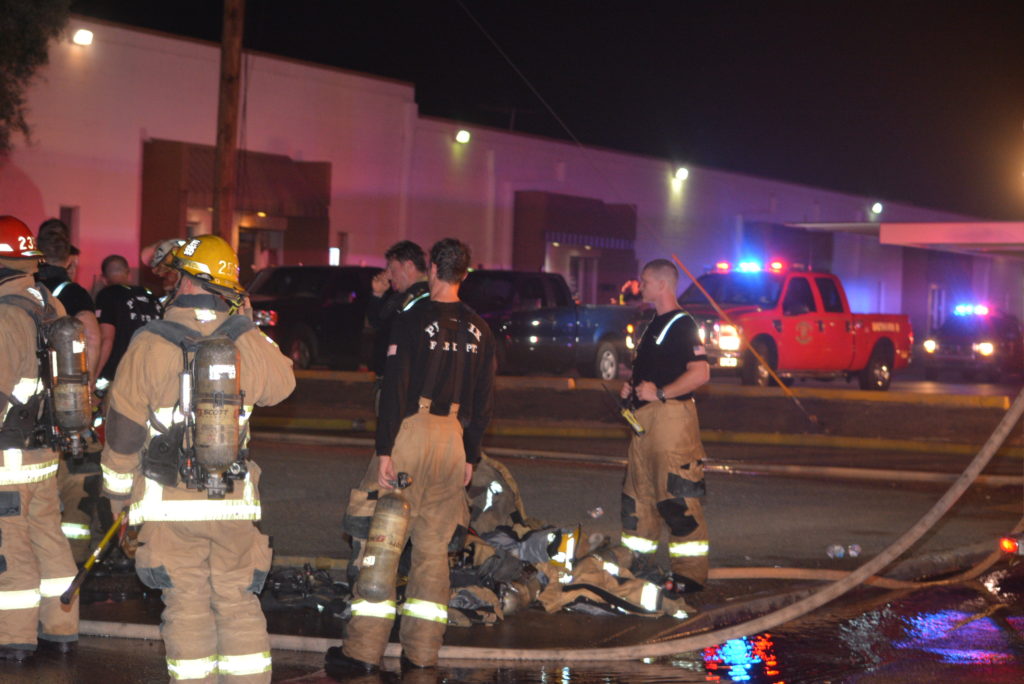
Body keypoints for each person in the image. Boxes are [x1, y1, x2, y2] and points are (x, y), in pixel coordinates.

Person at [100, 234, 295, 682]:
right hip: (232, 503)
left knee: (186, 603)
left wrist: (116, 497)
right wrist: (247, 324)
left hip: (170, 505)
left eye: (175, 275)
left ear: (187, 281)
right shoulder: (244, 339)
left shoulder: (149, 343)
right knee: (237, 599)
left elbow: (124, 434)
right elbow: (283, 385)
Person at [326, 238, 495, 675]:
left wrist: (385, 449)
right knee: (434, 552)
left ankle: (363, 652)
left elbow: (396, 388)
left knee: (381, 541)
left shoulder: (413, 318)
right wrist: (470, 455)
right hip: (453, 441)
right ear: (464, 275)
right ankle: (422, 654)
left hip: (410, 434)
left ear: (433, 269)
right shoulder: (481, 329)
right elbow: (483, 401)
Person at [0, 215, 79, 661]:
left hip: (7, 456)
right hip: (44, 452)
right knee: (48, 537)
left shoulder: (4, 314)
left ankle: (12, 638)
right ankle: (60, 627)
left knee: (8, 545)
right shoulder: (50, 304)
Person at [619, 258, 711, 595]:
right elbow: (656, 371)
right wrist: (632, 389)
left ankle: (689, 576)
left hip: (671, 423)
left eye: (644, 281)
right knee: (638, 500)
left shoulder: (683, 324)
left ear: (662, 285)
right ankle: (637, 566)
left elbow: (701, 373)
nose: (639, 286)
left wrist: (659, 393)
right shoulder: (652, 326)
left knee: (677, 498)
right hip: (644, 425)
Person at [342, 240, 430, 584]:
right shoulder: (408, 298)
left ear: (408, 265)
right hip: (396, 389)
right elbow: (378, 322)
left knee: (388, 472)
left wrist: (382, 298)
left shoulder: (416, 299)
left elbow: (382, 322)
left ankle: (383, 556)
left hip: (401, 394)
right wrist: (378, 295)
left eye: (393, 269)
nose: (389, 276)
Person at [36, 228, 106, 562]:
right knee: (79, 483)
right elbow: (92, 336)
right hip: (68, 405)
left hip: (28, 409)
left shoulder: (25, 290)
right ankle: (73, 557)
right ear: (69, 262)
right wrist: (84, 388)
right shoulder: (74, 293)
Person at [94, 254, 162, 394]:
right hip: (153, 374)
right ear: (128, 273)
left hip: (119, 375)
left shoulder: (107, 295)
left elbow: (106, 339)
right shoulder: (152, 297)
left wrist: (94, 376)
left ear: (104, 279)